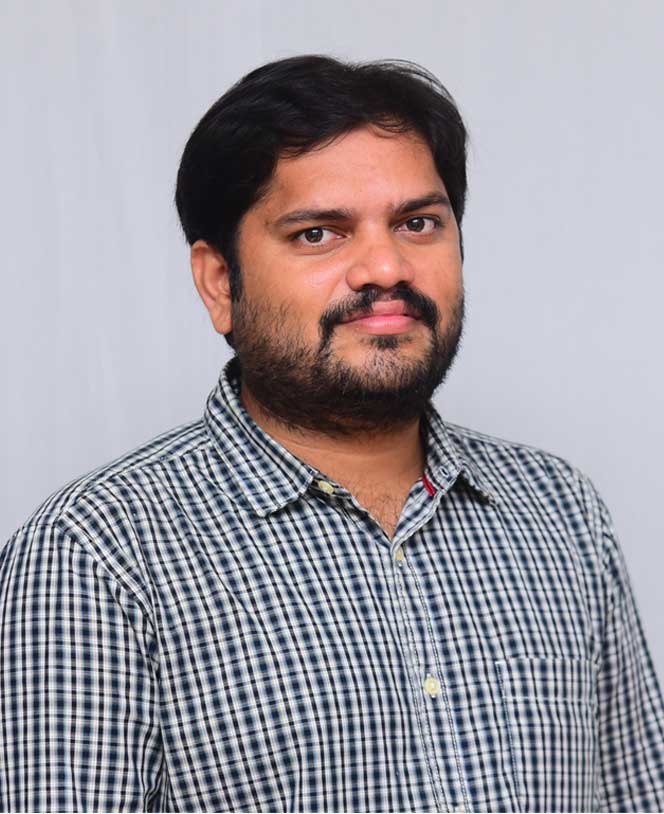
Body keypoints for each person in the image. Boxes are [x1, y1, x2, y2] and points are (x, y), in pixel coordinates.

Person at [1, 54, 662, 814]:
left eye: (418, 224)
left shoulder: (560, 510)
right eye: (318, 233)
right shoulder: (99, 554)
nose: (385, 267)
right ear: (220, 283)